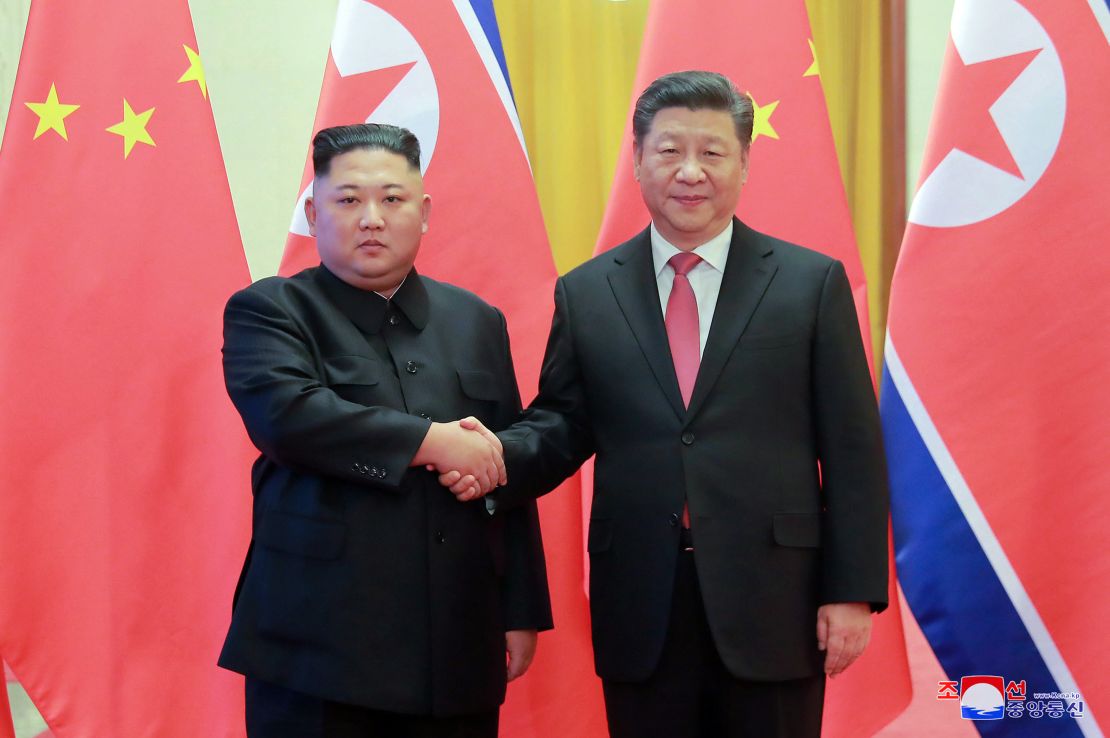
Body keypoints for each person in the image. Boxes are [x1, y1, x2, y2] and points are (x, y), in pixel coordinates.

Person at [444, 70, 890, 737]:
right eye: (669, 150)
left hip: (774, 597)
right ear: (637, 160)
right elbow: (565, 424)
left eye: (712, 152)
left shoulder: (809, 283)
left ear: (744, 163)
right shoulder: (589, 292)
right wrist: (491, 457)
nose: (690, 171)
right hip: (641, 596)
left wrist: (851, 590)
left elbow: (853, 448)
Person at [218, 123, 552, 738]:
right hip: (315, 648)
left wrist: (521, 609)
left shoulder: (477, 320)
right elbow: (288, 417)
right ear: (314, 212)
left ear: (423, 213)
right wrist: (434, 443)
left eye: (392, 199)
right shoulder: (269, 310)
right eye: (348, 200)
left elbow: (504, 470)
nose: (371, 217)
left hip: (456, 642)